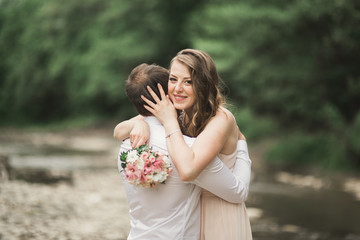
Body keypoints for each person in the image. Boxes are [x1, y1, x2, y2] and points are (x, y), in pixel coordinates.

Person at [126, 49, 253, 239]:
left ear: (204, 85)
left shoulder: (221, 119)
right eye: (173, 79)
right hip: (191, 214)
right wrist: (139, 123)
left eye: (188, 82)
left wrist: (169, 123)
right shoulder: (179, 111)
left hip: (219, 213)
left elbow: (188, 171)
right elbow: (118, 129)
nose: (177, 88)